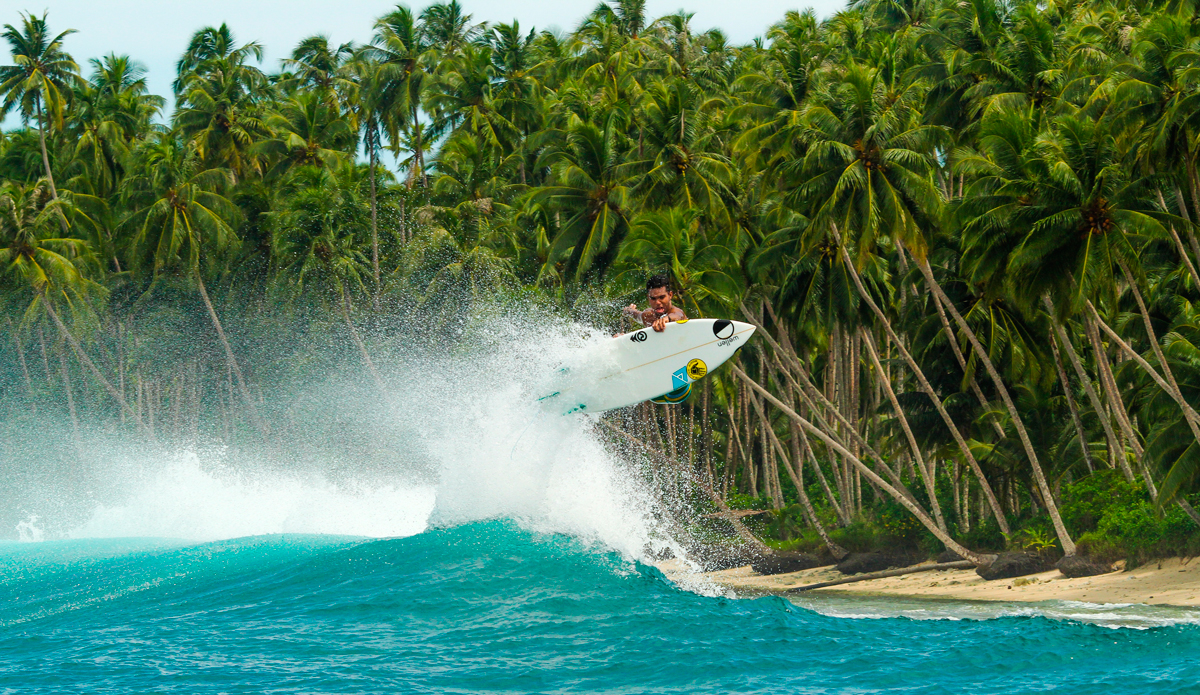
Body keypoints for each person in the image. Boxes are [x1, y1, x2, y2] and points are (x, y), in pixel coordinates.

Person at [623, 274, 687, 333]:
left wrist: (667, 319)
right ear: (648, 297)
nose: (657, 302)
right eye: (653, 298)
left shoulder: (677, 313)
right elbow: (636, 315)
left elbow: (679, 315)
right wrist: (629, 310)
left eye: (661, 297)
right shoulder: (648, 316)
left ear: (670, 295)